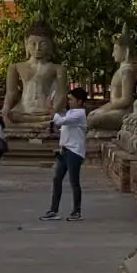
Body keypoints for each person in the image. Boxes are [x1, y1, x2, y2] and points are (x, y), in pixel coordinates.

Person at [43, 87, 88, 222]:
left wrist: (50, 109)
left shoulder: (79, 113)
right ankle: (53, 210)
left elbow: (61, 121)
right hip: (65, 150)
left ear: (79, 101)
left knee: (74, 182)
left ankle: (76, 211)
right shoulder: (70, 112)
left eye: (71, 100)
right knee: (57, 179)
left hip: (75, 151)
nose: (69, 102)